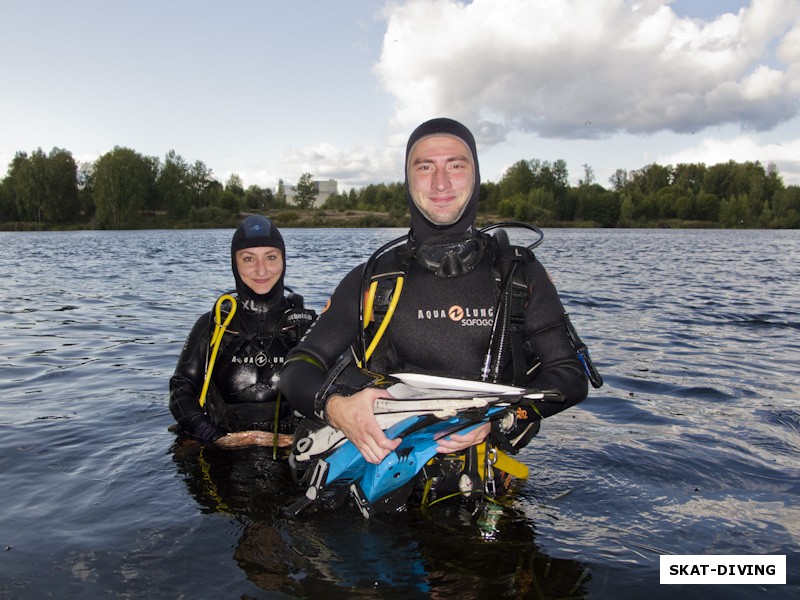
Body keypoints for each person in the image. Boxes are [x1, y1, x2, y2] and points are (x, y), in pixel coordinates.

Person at [280, 117, 597, 490]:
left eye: (456, 166)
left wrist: (498, 420)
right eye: (425, 166)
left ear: (476, 176)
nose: (441, 182)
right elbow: (297, 367)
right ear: (408, 180)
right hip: (388, 485)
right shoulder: (374, 279)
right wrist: (336, 409)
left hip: (486, 484)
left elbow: (570, 376)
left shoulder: (517, 274)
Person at [170, 215, 316, 450]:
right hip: (219, 452)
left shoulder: (308, 326)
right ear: (234, 264)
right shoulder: (214, 325)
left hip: (293, 453)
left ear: (283, 260)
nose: (261, 270)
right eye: (248, 259)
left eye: (270, 257)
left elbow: (338, 393)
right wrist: (215, 437)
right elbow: (180, 390)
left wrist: (301, 438)